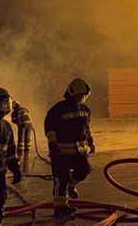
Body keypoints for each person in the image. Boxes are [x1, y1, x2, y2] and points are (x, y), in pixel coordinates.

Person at [44, 78, 95, 218]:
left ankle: (71, 185)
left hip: (79, 151)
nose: (82, 98)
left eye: (84, 95)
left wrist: (90, 140)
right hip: (61, 152)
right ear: (72, 93)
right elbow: (50, 128)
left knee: (85, 170)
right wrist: (53, 145)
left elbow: (86, 127)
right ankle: (60, 207)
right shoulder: (57, 109)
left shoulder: (85, 109)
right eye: (80, 95)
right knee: (61, 178)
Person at [0, 88, 22, 226]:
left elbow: (11, 150)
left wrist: (15, 167)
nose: (2, 107)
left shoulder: (7, 127)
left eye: (5, 104)